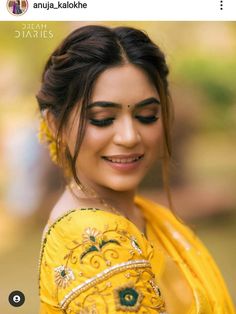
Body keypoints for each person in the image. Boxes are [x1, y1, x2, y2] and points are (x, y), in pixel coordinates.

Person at [37, 25, 234, 313]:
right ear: (56, 125)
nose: (129, 136)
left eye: (146, 115)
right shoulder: (91, 242)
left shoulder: (139, 214)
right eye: (103, 118)